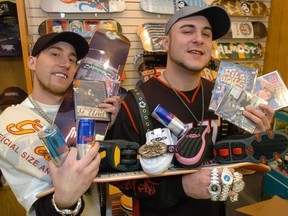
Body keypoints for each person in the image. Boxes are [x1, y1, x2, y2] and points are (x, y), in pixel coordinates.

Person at [108, 5, 275, 216]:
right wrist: (181, 187)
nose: (199, 39)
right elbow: (124, 181)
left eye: (206, 33)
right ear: (166, 42)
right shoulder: (136, 103)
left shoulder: (224, 98)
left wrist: (257, 139)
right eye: (187, 31)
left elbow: (240, 162)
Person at [0, 32, 120, 215]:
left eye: (72, 60)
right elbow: (34, 200)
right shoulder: (9, 122)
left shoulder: (87, 111)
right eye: (55, 54)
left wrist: (109, 128)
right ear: (32, 62)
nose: (65, 64)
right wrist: (64, 200)